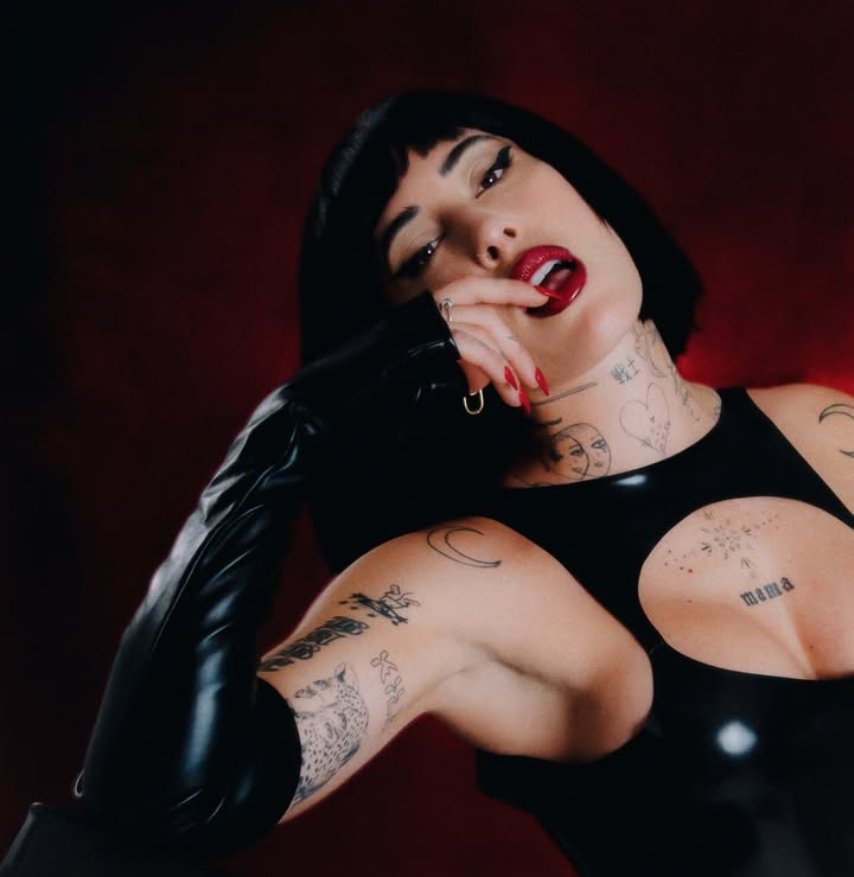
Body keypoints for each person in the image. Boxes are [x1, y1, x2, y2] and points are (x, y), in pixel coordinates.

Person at [72, 92, 853, 876]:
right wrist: (301, 417)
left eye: (493, 171)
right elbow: (168, 799)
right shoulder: (463, 579)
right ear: (406, 335)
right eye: (420, 252)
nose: (489, 232)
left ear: (584, 186)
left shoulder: (825, 426)